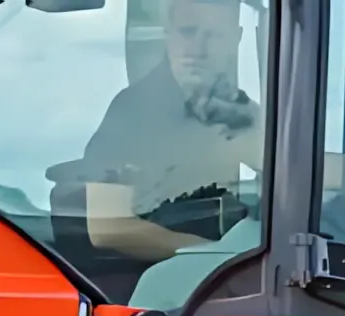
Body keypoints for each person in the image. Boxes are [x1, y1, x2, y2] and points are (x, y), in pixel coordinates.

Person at [55, 0, 266, 263]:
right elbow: (107, 228)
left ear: (236, 39)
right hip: (151, 280)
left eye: (214, 35)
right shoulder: (133, 110)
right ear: (168, 35)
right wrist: (218, 256)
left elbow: (293, 169)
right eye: (188, 32)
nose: (199, 49)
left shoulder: (234, 108)